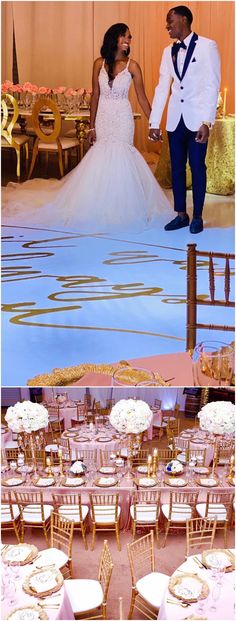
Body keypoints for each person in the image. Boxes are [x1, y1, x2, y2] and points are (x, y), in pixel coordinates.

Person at [2, 23, 171, 233]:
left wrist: (154, 123)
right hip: (103, 116)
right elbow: (95, 96)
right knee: (101, 156)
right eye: (125, 36)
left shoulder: (133, 66)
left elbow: (143, 98)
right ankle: (98, 204)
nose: (129, 40)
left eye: (130, 37)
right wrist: (91, 127)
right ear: (114, 38)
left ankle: (123, 206)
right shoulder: (98, 64)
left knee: (122, 156)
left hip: (122, 117)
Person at [149, 5, 220, 234]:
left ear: (184, 19)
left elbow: (212, 86)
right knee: (176, 168)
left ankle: (197, 216)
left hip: (197, 120)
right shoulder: (166, 51)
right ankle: (181, 214)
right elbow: (162, 88)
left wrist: (207, 121)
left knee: (198, 167)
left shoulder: (207, 46)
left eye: (170, 20)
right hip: (175, 121)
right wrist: (154, 122)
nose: (167, 25)